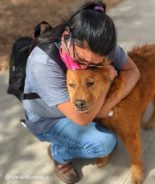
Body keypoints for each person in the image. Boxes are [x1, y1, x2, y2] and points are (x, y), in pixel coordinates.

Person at [23, 1, 140, 184]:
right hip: (49, 120)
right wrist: (107, 79)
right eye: (81, 59)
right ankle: (59, 153)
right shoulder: (42, 63)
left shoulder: (100, 47)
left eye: (94, 64)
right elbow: (81, 118)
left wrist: (106, 106)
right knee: (105, 143)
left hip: (83, 108)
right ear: (67, 37)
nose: (85, 67)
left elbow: (133, 71)